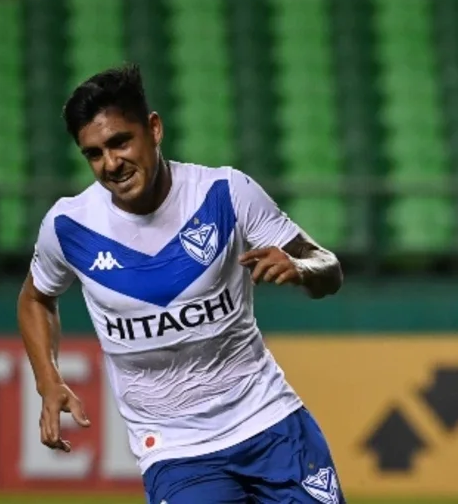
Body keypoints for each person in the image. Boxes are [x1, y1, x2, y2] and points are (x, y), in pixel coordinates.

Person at [17, 64, 346, 504]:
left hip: (270, 421)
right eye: (94, 154)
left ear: (153, 129)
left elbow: (328, 267)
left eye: (120, 142)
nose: (111, 163)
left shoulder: (226, 194)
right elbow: (36, 298)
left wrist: (301, 268)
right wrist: (48, 381)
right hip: (176, 449)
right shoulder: (68, 227)